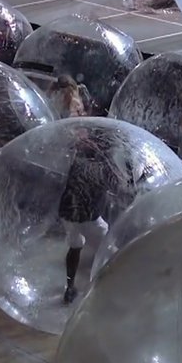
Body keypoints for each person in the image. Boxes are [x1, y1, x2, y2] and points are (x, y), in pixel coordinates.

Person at [59, 130, 112, 304]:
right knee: (108, 251)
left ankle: (70, 288)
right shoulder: (100, 166)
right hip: (87, 216)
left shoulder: (77, 160)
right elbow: (116, 185)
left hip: (67, 213)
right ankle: (103, 288)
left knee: (75, 246)